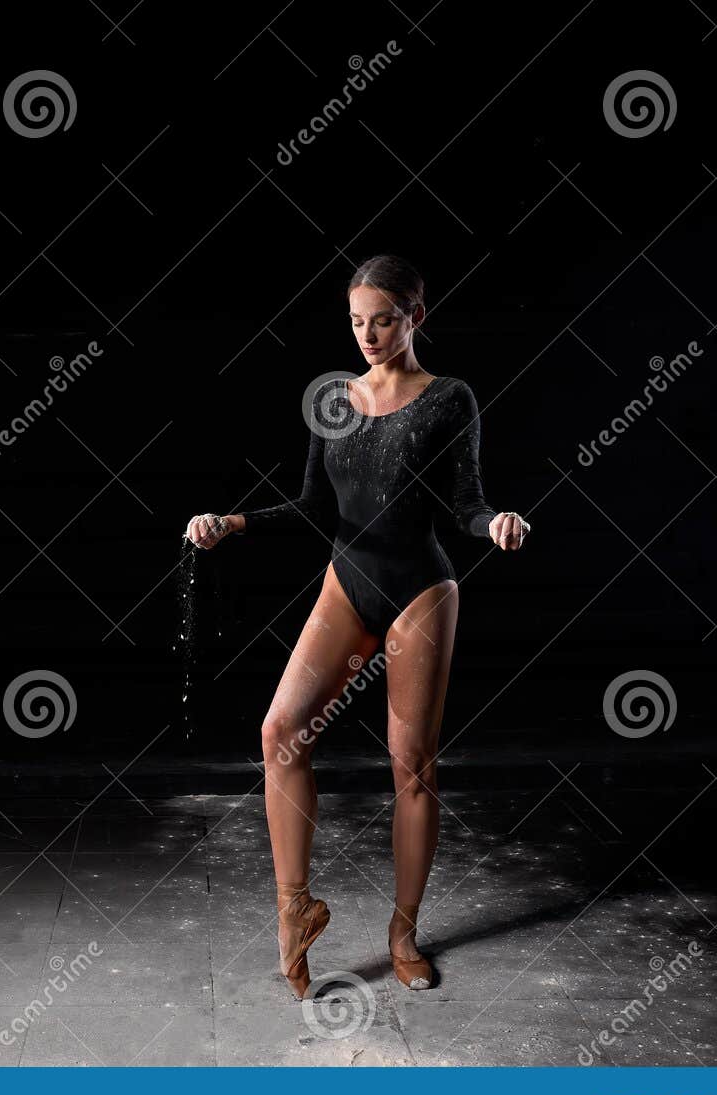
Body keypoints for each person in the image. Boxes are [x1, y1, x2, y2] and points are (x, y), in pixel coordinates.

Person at [183, 254, 530, 995]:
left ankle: (403, 934)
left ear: (415, 317)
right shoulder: (332, 397)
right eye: (356, 321)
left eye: (383, 319)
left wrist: (494, 519)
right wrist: (232, 521)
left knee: (413, 769)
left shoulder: (450, 399)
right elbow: (314, 505)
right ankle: (296, 908)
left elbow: (466, 501)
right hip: (349, 580)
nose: (368, 334)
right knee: (280, 732)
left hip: (421, 589)